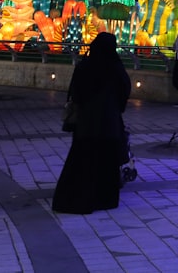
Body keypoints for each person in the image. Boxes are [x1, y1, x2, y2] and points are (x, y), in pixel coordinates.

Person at [52, 32, 131, 214]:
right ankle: (105, 199)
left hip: (86, 123)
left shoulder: (84, 66)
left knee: (83, 161)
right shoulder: (115, 67)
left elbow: (75, 93)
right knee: (106, 162)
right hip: (109, 123)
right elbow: (124, 91)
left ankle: (79, 196)